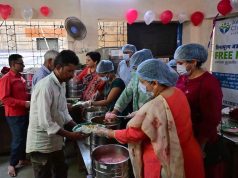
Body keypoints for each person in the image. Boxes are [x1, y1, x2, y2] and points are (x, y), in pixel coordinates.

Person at [93, 59, 205, 178]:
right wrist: (140, 113)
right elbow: (169, 116)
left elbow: (133, 134)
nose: (142, 86)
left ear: (155, 83)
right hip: (189, 155)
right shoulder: (178, 92)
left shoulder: (154, 106)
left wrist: (107, 132)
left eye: (143, 82)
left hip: (166, 162)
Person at [26, 50, 86, 178]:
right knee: (44, 175)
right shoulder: (45, 86)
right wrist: (70, 134)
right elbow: (45, 122)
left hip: (56, 142)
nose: (72, 75)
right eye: (69, 71)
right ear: (58, 67)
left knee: (61, 171)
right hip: (41, 145)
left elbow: (63, 111)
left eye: (74, 71)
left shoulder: (61, 84)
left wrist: (77, 127)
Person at [174, 43, 223, 178]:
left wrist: (200, 144)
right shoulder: (183, 78)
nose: (178, 66)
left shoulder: (209, 83)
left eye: (180, 63)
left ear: (194, 62)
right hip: (184, 135)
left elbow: (212, 119)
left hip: (201, 140)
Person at [0, 54, 30, 177]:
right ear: (13, 64)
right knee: (17, 139)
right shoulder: (6, 78)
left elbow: (22, 94)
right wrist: (24, 103)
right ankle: (12, 164)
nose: (23, 65)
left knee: (23, 136)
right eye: (21, 63)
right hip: (14, 115)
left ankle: (21, 159)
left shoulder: (20, 77)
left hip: (23, 112)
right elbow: (4, 99)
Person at [104, 49, 155, 121]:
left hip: (152, 118)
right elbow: (127, 93)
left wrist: (141, 113)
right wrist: (115, 111)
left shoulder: (156, 80)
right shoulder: (136, 75)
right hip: (138, 116)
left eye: (138, 68)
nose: (136, 71)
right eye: (134, 68)